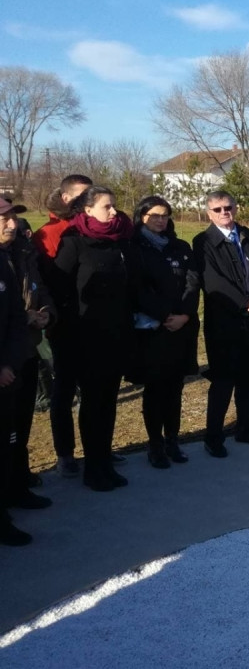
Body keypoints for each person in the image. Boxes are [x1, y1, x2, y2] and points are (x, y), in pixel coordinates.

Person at [52, 187, 136, 491]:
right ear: (87, 211)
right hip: (85, 339)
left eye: (114, 206)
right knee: (92, 403)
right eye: (106, 207)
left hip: (116, 335)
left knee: (108, 402)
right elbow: (59, 289)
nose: (114, 212)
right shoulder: (73, 241)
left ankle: (104, 461)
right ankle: (93, 468)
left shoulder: (121, 241)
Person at [193, 191, 249, 458]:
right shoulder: (203, 241)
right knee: (223, 381)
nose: (223, 213)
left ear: (236, 207)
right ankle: (214, 437)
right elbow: (212, 281)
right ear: (209, 213)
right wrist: (246, 302)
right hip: (225, 323)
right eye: (217, 209)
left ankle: (246, 430)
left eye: (228, 207)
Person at [131, 196, 200, 468]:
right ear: (142, 216)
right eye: (154, 215)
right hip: (152, 329)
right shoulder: (135, 248)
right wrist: (163, 316)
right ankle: (155, 444)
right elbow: (137, 289)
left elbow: (193, 284)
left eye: (165, 215)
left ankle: (173, 440)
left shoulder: (180, 247)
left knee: (175, 388)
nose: (160, 220)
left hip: (181, 328)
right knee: (155, 389)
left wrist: (184, 315)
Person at [34, 174, 92, 478]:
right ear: (67, 198)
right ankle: (65, 453)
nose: (88, 201)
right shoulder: (49, 233)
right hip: (66, 325)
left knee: (94, 390)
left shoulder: (93, 228)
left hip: (94, 324)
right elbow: (47, 282)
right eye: (83, 196)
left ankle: (97, 447)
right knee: (64, 389)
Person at [0, 196, 55, 510]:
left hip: (25, 348)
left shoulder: (22, 249)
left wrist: (46, 311)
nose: (13, 224)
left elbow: (39, 287)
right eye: (5, 219)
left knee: (19, 426)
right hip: (6, 356)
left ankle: (19, 485)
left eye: (13, 217)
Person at [0, 222, 31, 544]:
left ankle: (7, 505)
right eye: (3, 216)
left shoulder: (5, 261)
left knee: (8, 441)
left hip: (10, 368)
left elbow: (14, 317)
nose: (12, 224)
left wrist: (8, 362)